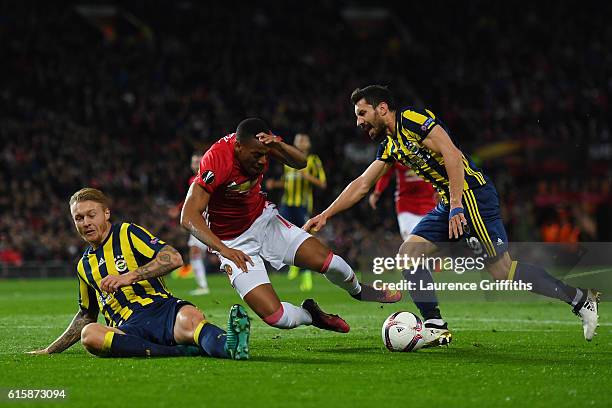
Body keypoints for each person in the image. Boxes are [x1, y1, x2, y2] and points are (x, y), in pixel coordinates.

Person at [304, 85, 600, 345]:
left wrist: (457, 204)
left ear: (382, 108)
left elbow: (452, 153)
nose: (358, 122)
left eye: (361, 113)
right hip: (451, 202)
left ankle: (579, 299)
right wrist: (326, 214)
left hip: (472, 196)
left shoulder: (413, 120)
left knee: (501, 271)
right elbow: (362, 184)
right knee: (408, 254)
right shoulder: (391, 144)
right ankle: (434, 325)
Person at [181, 118, 401, 334]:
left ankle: (359, 291)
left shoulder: (263, 146)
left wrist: (277, 144)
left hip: (264, 223)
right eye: (256, 155)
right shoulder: (217, 159)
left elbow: (300, 162)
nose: (261, 161)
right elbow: (188, 215)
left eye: (264, 156)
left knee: (329, 262)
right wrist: (224, 250)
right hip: (234, 243)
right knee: (276, 318)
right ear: (238, 147)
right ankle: (311, 315)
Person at [28, 188, 250, 359]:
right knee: (90, 334)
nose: (86, 223)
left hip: (163, 310)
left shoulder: (127, 232)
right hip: (128, 329)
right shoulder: (83, 266)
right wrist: (51, 349)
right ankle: (178, 352)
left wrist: (129, 277)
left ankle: (231, 347)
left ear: (106, 214)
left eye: (91, 215)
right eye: (79, 218)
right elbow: (86, 315)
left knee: (191, 318)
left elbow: (173, 258)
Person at [266, 133, 327, 291]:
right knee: (282, 234)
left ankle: (306, 273)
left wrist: (307, 176)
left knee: (305, 239)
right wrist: (276, 184)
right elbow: (288, 181)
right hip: (287, 203)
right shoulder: (288, 161)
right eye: (298, 139)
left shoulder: (313, 160)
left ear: (309, 144)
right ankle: (294, 264)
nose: (300, 141)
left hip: (303, 205)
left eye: (304, 139)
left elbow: (322, 183)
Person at [368, 161, 436, 241]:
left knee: (429, 242)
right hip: (406, 204)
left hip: (429, 203)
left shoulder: (431, 150)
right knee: (411, 241)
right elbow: (386, 174)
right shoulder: (396, 152)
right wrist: (377, 192)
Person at [188, 152, 211, 295]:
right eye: (194, 162)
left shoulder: (208, 178)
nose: (196, 165)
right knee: (195, 251)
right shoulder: (192, 180)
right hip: (199, 221)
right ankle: (202, 286)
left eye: (198, 162)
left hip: (209, 220)